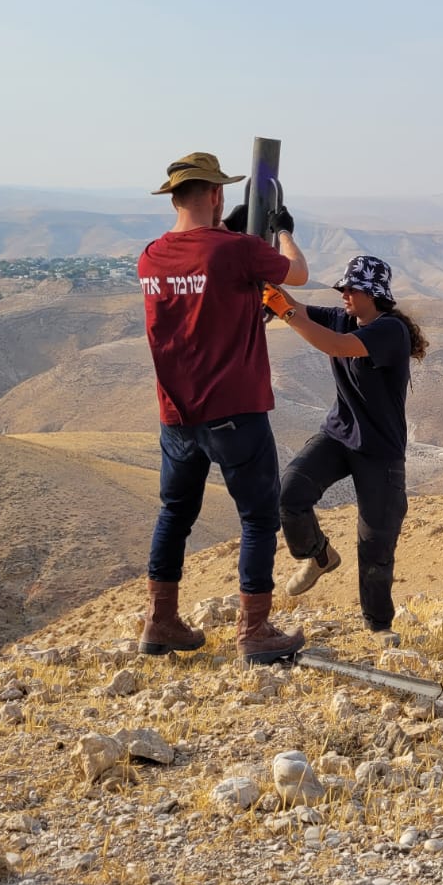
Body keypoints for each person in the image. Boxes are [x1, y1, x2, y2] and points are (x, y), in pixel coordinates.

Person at [136, 151, 310, 663]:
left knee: (174, 515)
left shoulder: (150, 255)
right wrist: (281, 231)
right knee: (257, 519)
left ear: (173, 196)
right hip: (235, 409)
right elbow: (296, 274)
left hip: (176, 415)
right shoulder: (233, 252)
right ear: (215, 195)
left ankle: (160, 620)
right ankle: (254, 632)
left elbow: (204, 300)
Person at [261, 255, 428, 638]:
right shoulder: (344, 316)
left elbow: (335, 346)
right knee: (290, 492)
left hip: (380, 451)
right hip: (339, 434)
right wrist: (268, 286)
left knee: (375, 546)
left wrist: (284, 312)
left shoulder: (388, 332)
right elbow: (299, 307)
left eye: (352, 288)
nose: (344, 294)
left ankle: (379, 628)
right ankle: (318, 556)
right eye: (343, 288)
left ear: (373, 294)